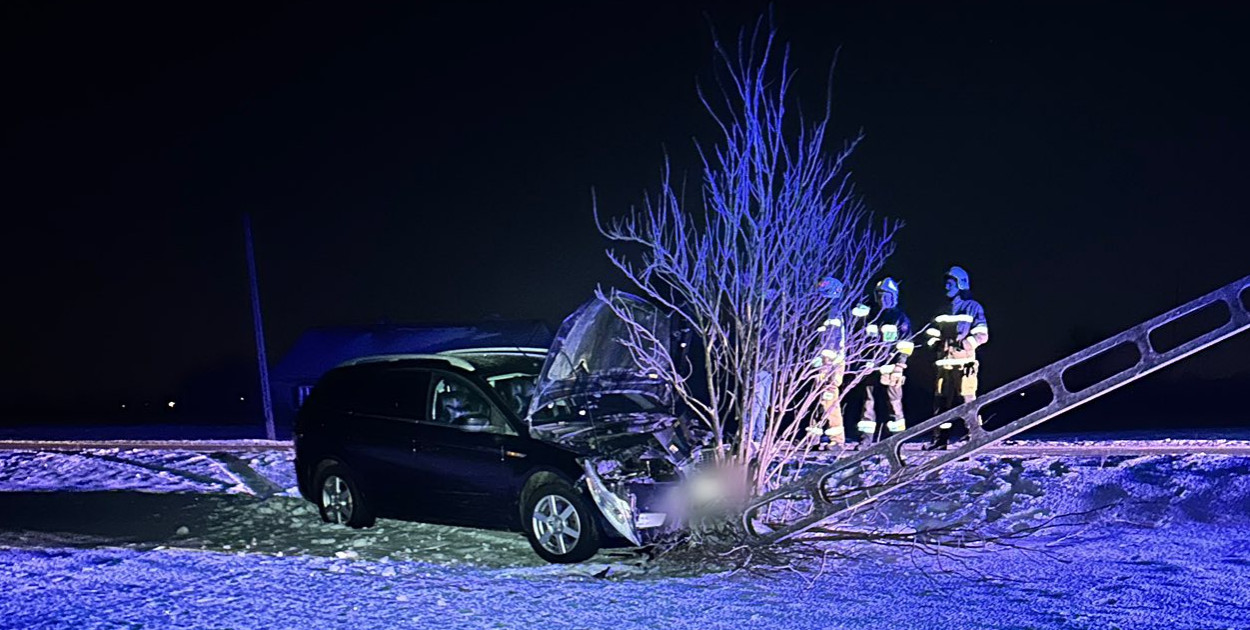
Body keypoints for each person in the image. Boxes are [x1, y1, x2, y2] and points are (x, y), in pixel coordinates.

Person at [922, 266, 990, 450]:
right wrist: (936, 344)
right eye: (946, 283)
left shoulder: (973, 307)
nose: (946, 287)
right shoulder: (942, 310)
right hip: (943, 365)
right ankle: (940, 439)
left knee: (967, 401)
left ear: (961, 284)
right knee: (941, 404)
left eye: (950, 283)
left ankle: (974, 437)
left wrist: (963, 344)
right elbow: (930, 335)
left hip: (964, 365)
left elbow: (982, 334)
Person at [806, 276, 870, 449]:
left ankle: (837, 439)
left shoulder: (833, 311)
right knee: (820, 398)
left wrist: (825, 363)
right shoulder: (827, 311)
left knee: (829, 398)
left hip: (831, 363)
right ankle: (816, 437)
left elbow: (831, 342)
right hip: (825, 362)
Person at [856, 277, 914, 448]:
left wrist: (899, 366)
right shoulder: (870, 317)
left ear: (894, 297)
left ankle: (897, 440)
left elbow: (906, 344)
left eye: (886, 295)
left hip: (891, 370)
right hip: (871, 369)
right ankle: (865, 439)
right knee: (867, 404)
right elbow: (861, 342)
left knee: (894, 404)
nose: (883, 299)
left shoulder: (899, 317)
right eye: (880, 295)